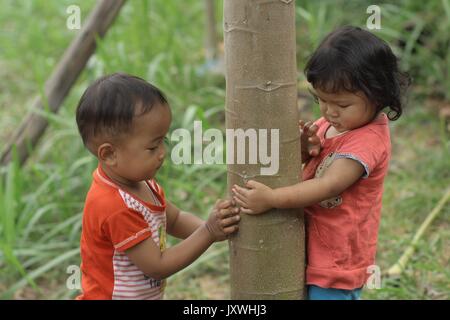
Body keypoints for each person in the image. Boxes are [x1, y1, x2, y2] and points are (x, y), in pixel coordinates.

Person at [232, 26, 410, 300]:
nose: (329, 111)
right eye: (321, 100)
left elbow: (328, 185)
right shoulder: (329, 123)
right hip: (312, 249)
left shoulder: (368, 140)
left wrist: (272, 198)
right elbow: (313, 164)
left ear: (378, 94)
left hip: (337, 261)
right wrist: (304, 149)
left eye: (341, 104)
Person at [75, 73, 240, 300]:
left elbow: (174, 219)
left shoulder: (141, 183)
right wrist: (208, 232)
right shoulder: (114, 205)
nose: (162, 153)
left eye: (164, 140)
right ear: (110, 154)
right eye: (152, 147)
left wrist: (215, 228)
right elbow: (157, 265)